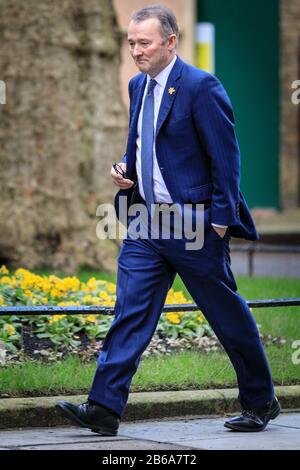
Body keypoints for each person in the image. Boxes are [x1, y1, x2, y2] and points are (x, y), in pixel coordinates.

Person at [56, 4, 280, 435]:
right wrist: (126, 172)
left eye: (145, 43)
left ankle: (261, 400)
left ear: (171, 42)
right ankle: (103, 407)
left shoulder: (201, 87)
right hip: (145, 223)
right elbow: (141, 147)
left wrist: (219, 221)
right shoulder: (138, 85)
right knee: (130, 312)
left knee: (225, 315)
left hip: (195, 226)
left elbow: (226, 159)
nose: (136, 51)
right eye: (131, 43)